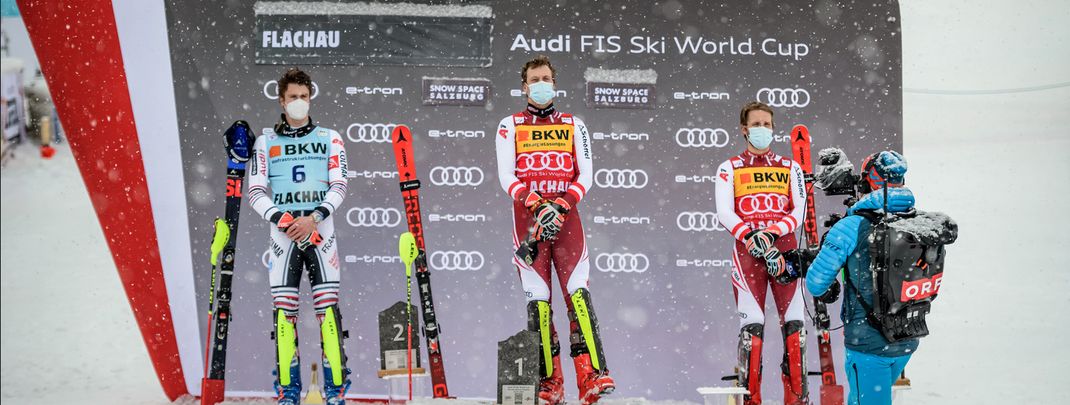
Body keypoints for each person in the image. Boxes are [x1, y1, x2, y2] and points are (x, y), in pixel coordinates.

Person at [494, 55, 614, 405]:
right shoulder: (509, 125)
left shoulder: (575, 125)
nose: (541, 83)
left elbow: (585, 175)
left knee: (578, 294)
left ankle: (591, 376)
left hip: (566, 222)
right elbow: (507, 176)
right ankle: (550, 383)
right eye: (535, 79)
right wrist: (537, 205)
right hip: (528, 223)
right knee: (538, 303)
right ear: (524, 86)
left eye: (546, 77)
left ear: (555, 83)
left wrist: (558, 206)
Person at [248, 68, 350, 405]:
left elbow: (339, 185)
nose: (298, 103)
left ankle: (335, 393)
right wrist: (283, 219)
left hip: (322, 237)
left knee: (328, 315)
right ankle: (288, 394)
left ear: (310, 98)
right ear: (281, 100)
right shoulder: (265, 142)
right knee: (284, 316)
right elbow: (256, 191)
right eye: (292, 97)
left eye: (304, 97)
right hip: (284, 238)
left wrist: (314, 218)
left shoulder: (330, 137)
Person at [714, 101, 809, 405]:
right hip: (748, 252)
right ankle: (751, 400)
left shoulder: (790, 167)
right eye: (756, 125)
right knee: (751, 329)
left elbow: (800, 210)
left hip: (783, 248)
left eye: (767, 125)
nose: (762, 130)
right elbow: (724, 212)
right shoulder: (729, 168)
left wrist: (772, 232)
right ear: (744, 130)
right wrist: (750, 234)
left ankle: (796, 400)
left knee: (795, 328)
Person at [805, 151, 918, 405]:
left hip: (868, 343)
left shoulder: (851, 226)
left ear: (867, 182)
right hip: (906, 337)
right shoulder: (914, 219)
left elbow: (815, 282)